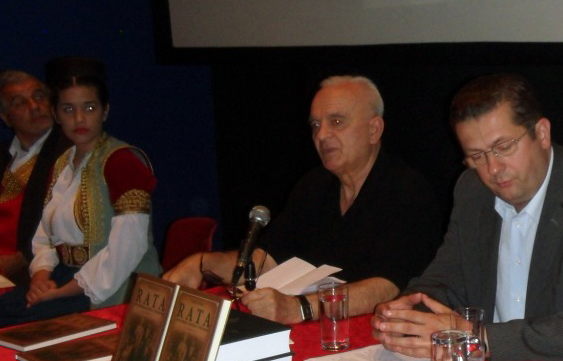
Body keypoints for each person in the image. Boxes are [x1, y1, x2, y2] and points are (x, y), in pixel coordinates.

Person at [372, 73, 563, 361]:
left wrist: (477, 337)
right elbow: (447, 278)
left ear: (541, 133)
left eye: (504, 147)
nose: (493, 168)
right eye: (477, 156)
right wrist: (404, 314)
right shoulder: (472, 190)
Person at [164, 75, 442, 324]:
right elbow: (265, 261)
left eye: (336, 122)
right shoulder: (314, 186)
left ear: (374, 130)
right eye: (316, 125)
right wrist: (202, 264)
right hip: (317, 331)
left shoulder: (407, 191)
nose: (321, 135)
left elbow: (389, 286)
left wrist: (300, 308)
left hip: (373, 336)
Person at [0, 58, 161, 332]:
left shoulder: (122, 161)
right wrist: (41, 276)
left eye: (89, 108)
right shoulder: (63, 164)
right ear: (56, 115)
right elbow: (45, 235)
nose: (79, 119)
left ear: (105, 111)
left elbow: (127, 250)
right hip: (64, 279)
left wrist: (60, 292)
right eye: (68, 109)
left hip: (115, 287)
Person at [0, 70, 71, 283]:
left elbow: (67, 224)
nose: (35, 106)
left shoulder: (69, 151)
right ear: (5, 117)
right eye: (20, 103)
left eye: (39, 96)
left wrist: (23, 258)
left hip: (40, 270)